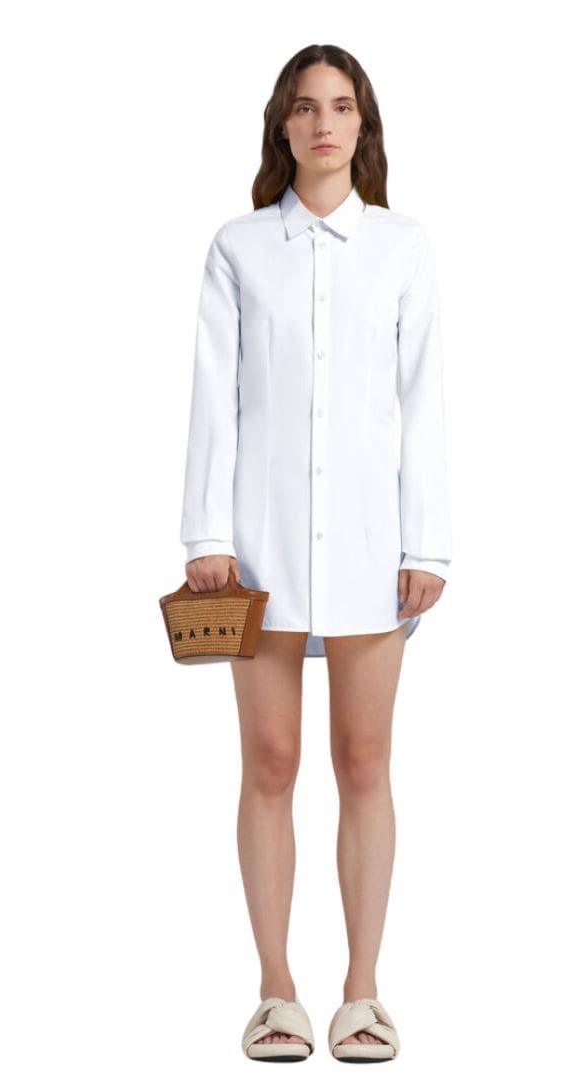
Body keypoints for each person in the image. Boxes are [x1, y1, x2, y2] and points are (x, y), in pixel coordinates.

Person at [178, 43, 452, 1063]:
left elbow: (421, 402)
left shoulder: (403, 247)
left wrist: (429, 543)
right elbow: (216, 396)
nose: (323, 122)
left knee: (365, 758)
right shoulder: (238, 247)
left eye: (340, 105)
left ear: (361, 124)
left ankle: (363, 991)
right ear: (282, 125)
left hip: (375, 547)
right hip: (256, 550)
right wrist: (207, 536)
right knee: (270, 759)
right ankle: (276, 992)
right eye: (304, 106)